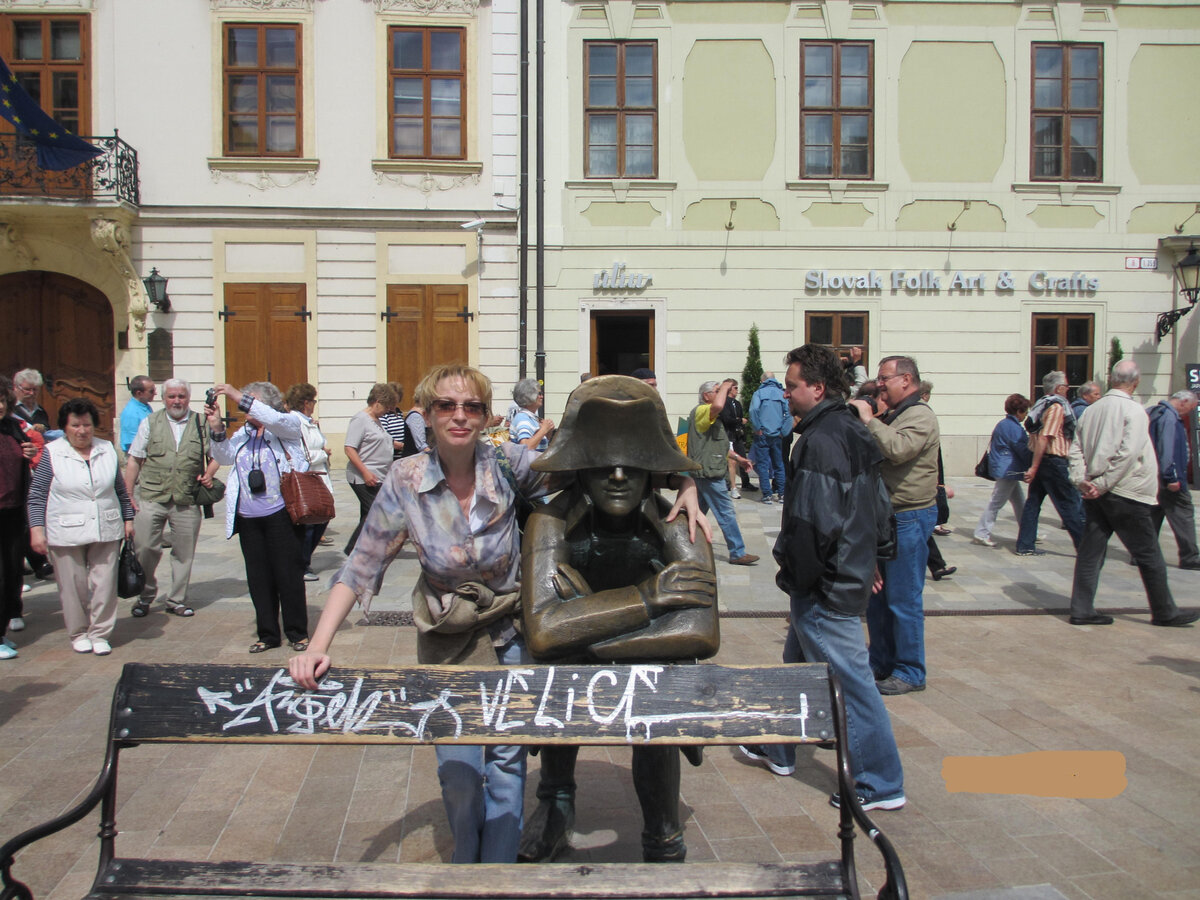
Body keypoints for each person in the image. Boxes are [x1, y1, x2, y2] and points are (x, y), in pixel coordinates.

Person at [290, 364, 708, 864]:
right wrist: (318, 646)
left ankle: (501, 876)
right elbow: (360, 566)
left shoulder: (507, 463)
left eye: (472, 407)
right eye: (446, 406)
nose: (459, 416)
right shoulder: (405, 480)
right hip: (450, 641)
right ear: (426, 414)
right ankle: (469, 868)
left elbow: (594, 460)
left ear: (487, 416)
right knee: (460, 776)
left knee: (508, 769)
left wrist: (683, 482)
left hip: (510, 633)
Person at [518, 375, 717, 863]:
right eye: (604, 463)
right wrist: (648, 599)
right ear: (580, 468)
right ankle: (556, 801)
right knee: (559, 676)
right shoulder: (551, 522)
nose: (620, 476)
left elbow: (699, 630)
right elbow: (542, 631)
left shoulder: (679, 527)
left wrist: (588, 631)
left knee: (655, 696)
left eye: (634, 464)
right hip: (585, 659)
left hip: (637, 663)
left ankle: (664, 831)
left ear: (654, 470)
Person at [739, 344, 905, 813]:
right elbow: (876, 502)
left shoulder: (822, 439)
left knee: (851, 685)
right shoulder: (849, 428)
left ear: (817, 387)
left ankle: (879, 781)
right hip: (840, 573)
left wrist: (798, 577)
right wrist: (876, 556)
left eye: (792, 387)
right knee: (796, 666)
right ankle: (779, 746)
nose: (786, 395)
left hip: (826, 584)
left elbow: (813, 524)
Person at [1067, 361, 1198, 628]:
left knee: (1090, 553)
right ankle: (1164, 611)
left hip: (1097, 492)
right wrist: (1101, 483)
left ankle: (1081, 609)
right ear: (1135, 382)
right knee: (1149, 555)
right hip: (1125, 492)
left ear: (1111, 380)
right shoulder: (1134, 411)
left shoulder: (1091, 410)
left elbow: (1075, 449)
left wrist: (1082, 480)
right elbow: (1127, 455)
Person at [849, 355, 939, 695]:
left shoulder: (920, 415)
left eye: (885, 377)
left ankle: (911, 670)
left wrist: (870, 419)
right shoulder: (898, 414)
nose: (880, 383)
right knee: (878, 598)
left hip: (909, 517)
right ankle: (881, 662)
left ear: (907, 379)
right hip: (887, 517)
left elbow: (898, 449)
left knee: (903, 599)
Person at [206, 383, 310, 653]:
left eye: (252, 402)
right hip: (249, 518)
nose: (244, 406)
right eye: (245, 401)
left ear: (268, 405)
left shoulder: (286, 426)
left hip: (281, 515)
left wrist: (233, 393)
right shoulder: (244, 433)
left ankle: (297, 632)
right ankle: (267, 634)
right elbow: (224, 456)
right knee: (259, 578)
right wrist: (217, 427)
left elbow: (273, 419)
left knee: (288, 575)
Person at [27, 398, 135, 655]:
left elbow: (120, 489)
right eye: (75, 425)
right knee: (72, 585)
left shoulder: (106, 448)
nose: (82, 430)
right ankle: (78, 633)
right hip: (65, 529)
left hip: (106, 525)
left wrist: (128, 519)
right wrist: (36, 529)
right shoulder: (53, 452)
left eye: (86, 424)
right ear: (65, 427)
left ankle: (100, 632)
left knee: (105, 583)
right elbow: (37, 493)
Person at [123, 379, 219, 618]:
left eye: (181, 396)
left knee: (184, 552)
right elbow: (135, 459)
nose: (177, 401)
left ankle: (176, 599)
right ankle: (145, 595)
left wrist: (208, 474)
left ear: (188, 398)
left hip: (186, 498)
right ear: (164, 399)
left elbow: (218, 454)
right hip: (152, 496)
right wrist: (127, 494)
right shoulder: (150, 422)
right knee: (144, 547)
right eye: (172, 396)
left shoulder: (201, 422)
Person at [686, 380, 758, 565]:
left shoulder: (711, 417)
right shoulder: (702, 411)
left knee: (696, 513)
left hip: (707, 471)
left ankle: (682, 545)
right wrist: (727, 385)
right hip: (709, 474)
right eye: (716, 391)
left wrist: (739, 459)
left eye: (721, 391)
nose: (721, 394)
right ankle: (737, 552)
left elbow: (717, 445)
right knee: (726, 513)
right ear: (706, 396)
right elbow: (718, 404)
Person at [1015, 371, 1084, 556]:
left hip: (1043, 461)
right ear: (1058, 388)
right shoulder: (1056, 407)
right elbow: (1045, 438)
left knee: (1033, 503)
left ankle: (1025, 545)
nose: (1068, 389)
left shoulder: (1040, 405)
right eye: (1066, 386)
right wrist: (1034, 467)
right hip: (1053, 461)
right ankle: (1085, 548)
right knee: (1069, 505)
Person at [0, 376, 36, 659]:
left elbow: (28, 454)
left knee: (13, 571)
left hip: (13, 510)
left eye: (3, 400)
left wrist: (30, 452)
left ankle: (4, 628)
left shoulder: (12, 427)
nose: (0, 405)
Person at [343, 383, 400, 555]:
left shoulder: (376, 421)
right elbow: (349, 448)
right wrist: (365, 472)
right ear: (377, 402)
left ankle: (365, 548)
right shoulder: (360, 419)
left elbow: (382, 442)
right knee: (376, 511)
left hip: (379, 476)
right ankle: (353, 549)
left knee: (369, 513)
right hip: (364, 476)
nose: (387, 411)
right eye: (386, 406)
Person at [1147, 390, 1200, 570]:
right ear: (1184, 401)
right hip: (1171, 480)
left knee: (1153, 516)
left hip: (1156, 478)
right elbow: (1166, 449)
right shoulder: (1169, 417)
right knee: (1184, 515)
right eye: (1190, 408)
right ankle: (1190, 558)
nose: (1188, 413)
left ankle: (1143, 555)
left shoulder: (1155, 412)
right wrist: (1171, 477)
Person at [285, 383, 332, 582]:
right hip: (306, 477)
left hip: (319, 476)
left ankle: (302, 560)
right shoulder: (295, 423)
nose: (314, 404)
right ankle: (301, 564)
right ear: (306, 403)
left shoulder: (309, 422)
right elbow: (300, 454)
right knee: (309, 523)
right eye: (313, 401)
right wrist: (323, 453)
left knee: (322, 518)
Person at [972, 394, 1032, 548]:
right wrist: (1033, 463)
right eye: (1025, 412)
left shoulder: (1004, 424)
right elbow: (1022, 449)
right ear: (1018, 411)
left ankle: (1030, 531)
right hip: (1008, 470)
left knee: (1019, 502)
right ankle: (981, 532)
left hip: (1005, 468)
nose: (1026, 415)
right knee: (997, 502)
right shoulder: (1013, 427)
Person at [749, 371, 788, 503]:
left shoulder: (759, 393)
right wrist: (784, 431)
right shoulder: (782, 393)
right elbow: (789, 414)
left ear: (763, 381)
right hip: (778, 434)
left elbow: (753, 410)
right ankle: (782, 493)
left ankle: (767, 494)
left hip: (763, 434)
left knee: (762, 465)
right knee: (779, 464)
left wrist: (757, 427)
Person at [717, 379, 756, 496]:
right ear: (729, 389)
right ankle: (730, 484)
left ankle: (745, 482)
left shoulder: (737, 403)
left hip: (737, 435)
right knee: (732, 461)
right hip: (728, 434)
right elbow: (727, 418)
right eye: (735, 388)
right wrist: (739, 420)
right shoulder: (725, 403)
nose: (737, 390)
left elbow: (739, 417)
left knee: (742, 458)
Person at [509, 378, 555, 451]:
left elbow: (540, 444)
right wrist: (543, 430)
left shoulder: (531, 417)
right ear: (528, 395)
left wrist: (548, 431)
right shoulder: (522, 418)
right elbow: (526, 447)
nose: (541, 397)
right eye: (539, 394)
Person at [119, 375, 156, 453]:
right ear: (139, 393)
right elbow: (131, 444)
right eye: (151, 391)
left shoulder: (145, 406)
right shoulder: (131, 413)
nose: (155, 393)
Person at [11, 369, 49, 434]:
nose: (31, 393)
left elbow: (48, 432)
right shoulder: (9, 409)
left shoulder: (40, 411)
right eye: (27, 389)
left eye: (35, 389)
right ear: (16, 388)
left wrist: (43, 428)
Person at [378, 382, 407, 460]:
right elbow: (383, 438)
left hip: (402, 457)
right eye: (391, 401)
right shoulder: (384, 415)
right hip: (390, 458)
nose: (393, 404)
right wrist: (403, 446)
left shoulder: (400, 413)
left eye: (395, 401)